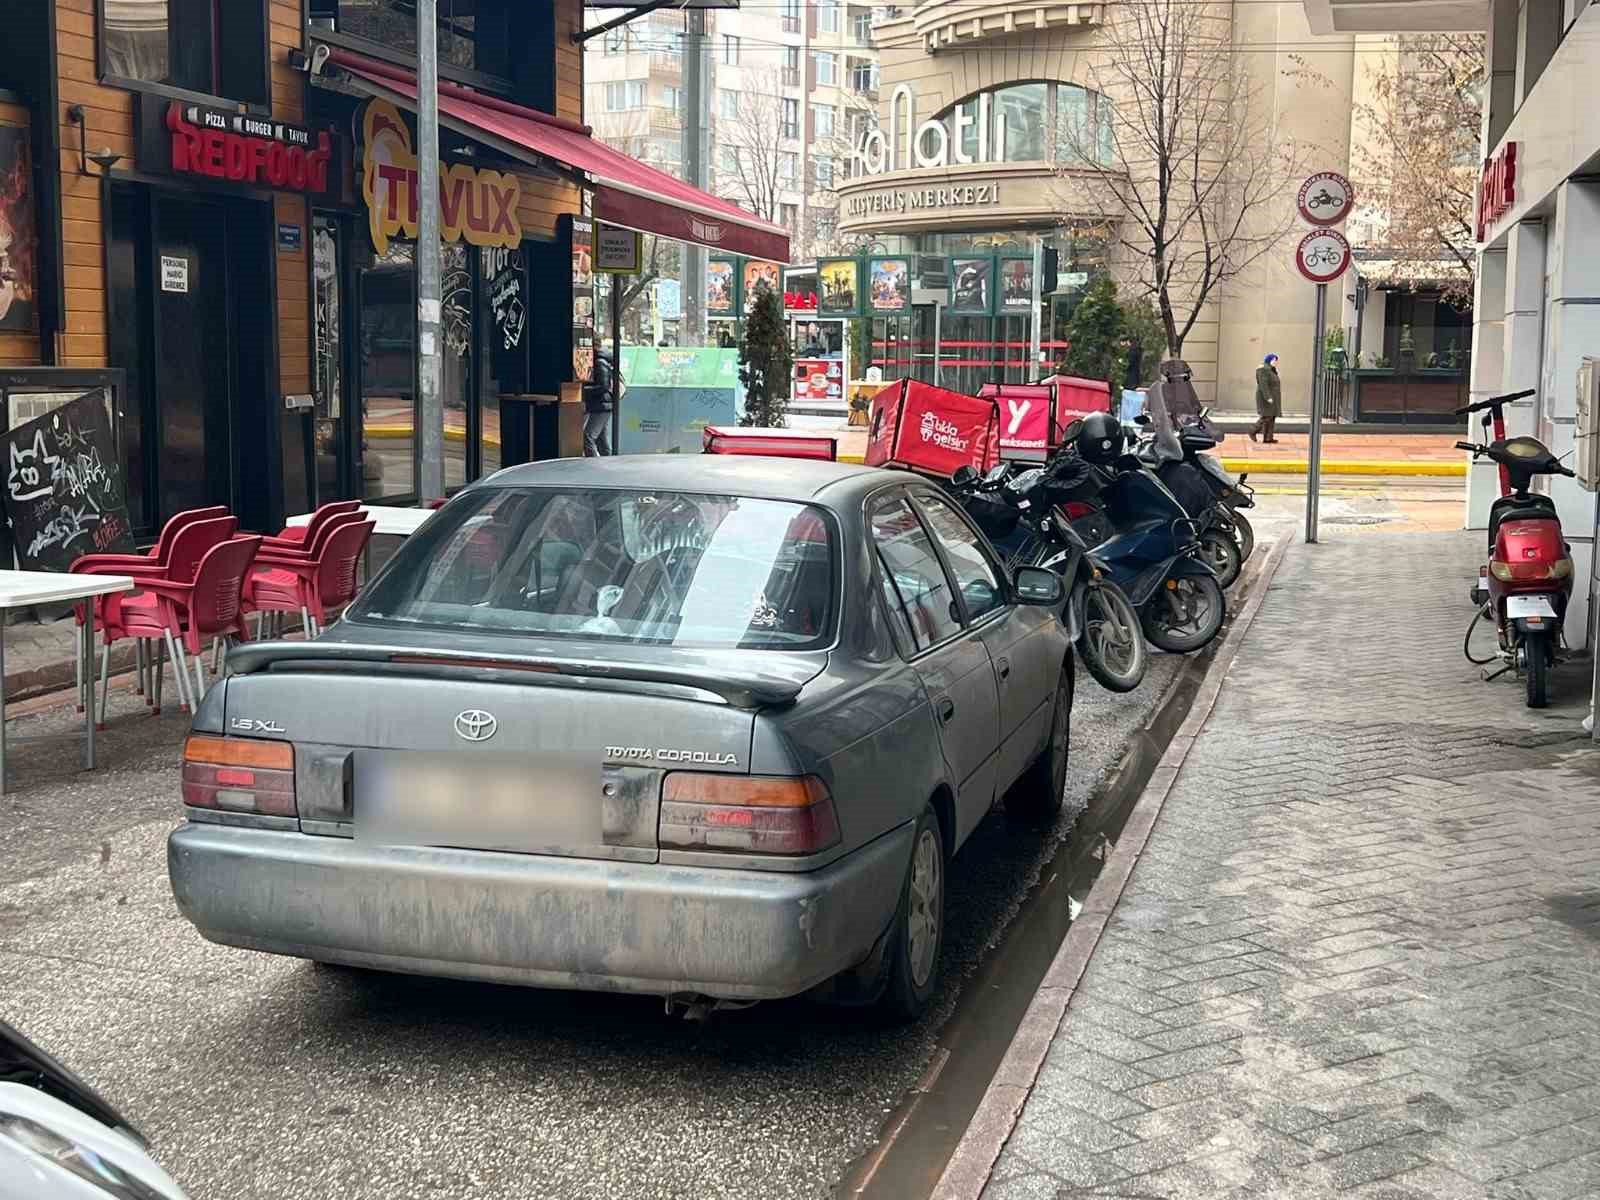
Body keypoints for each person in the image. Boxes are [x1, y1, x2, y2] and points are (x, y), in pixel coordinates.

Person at [584, 349, 620, 457]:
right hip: (602, 404)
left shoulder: (599, 363)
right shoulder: (599, 361)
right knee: (601, 440)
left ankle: (593, 464)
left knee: (588, 437)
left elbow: (603, 386)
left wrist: (584, 390)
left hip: (602, 405)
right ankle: (608, 462)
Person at [1252, 353, 1281, 443]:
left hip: (1272, 398)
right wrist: (1268, 397)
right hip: (1265, 398)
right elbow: (1263, 385)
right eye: (1274, 360)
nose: (1276, 363)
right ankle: (1252, 431)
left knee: (1271, 417)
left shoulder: (1271, 370)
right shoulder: (1263, 369)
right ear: (1270, 360)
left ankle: (1268, 438)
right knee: (1266, 417)